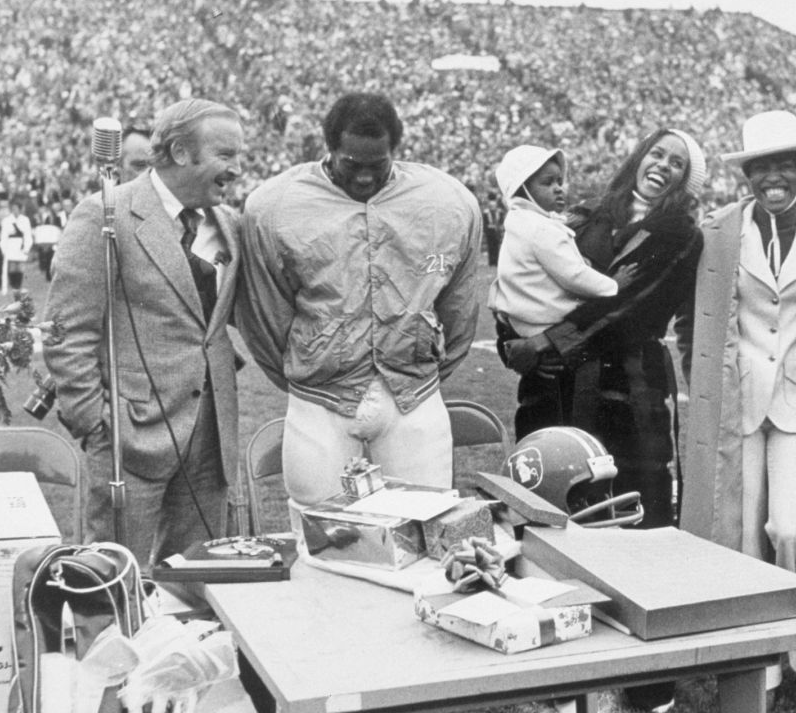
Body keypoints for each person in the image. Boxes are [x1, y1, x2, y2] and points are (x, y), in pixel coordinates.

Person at [496, 128, 705, 713]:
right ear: (638, 157)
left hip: (629, 387)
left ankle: (647, 690)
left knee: (640, 524)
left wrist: (546, 342)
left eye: (678, 162)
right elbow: (522, 276)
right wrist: (512, 336)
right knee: (552, 523)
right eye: (656, 153)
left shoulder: (680, 234)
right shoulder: (584, 213)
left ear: (688, 179)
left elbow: (628, 304)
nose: (662, 166)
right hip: (553, 389)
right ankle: (567, 685)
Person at [675, 111, 796, 704]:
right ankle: (759, 662)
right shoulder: (717, 231)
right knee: (741, 529)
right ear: (748, 175)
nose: (773, 177)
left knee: (791, 526)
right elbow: (690, 322)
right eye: (762, 168)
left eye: (784, 166)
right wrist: (700, 382)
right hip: (734, 402)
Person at [235, 92, 481, 526]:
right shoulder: (274, 206)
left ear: (395, 152)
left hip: (412, 393)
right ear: (328, 149)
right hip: (321, 399)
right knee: (319, 530)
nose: (365, 178)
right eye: (352, 164)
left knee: (426, 524)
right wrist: (307, 365)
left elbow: (459, 305)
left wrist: (423, 359)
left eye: (377, 164)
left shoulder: (448, 202)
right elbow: (264, 314)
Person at [44, 98, 246, 566]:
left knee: (197, 582)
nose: (236, 169)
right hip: (129, 436)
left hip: (211, 436)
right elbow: (65, 330)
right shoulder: (106, 215)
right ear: (179, 153)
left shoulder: (228, 225)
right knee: (114, 577)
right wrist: (93, 420)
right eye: (226, 155)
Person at [487, 144, 636, 338]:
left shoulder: (519, 221)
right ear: (522, 190)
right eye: (547, 183)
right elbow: (573, 275)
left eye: (559, 181)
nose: (558, 189)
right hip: (547, 325)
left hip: (524, 321)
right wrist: (613, 284)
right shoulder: (540, 228)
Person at [0, 200, 34, 290]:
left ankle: (18, 285)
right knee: (12, 266)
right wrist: (3, 248)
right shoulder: (6, 220)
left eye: (16, 208)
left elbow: (28, 235)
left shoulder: (25, 220)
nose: (14, 210)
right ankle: (13, 285)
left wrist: (27, 247)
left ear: (20, 209)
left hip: (21, 244)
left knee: (20, 266)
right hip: (11, 244)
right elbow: (3, 236)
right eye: (13, 209)